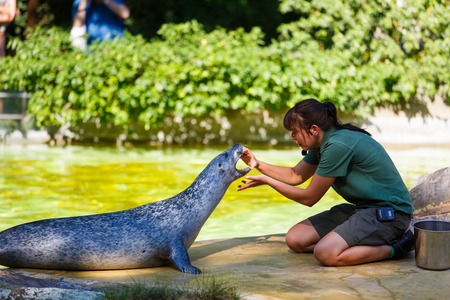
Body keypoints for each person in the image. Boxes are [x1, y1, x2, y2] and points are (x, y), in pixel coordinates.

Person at [238, 98, 415, 266]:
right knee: (296, 239)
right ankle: (350, 245)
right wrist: (257, 164)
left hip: (389, 215)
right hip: (363, 209)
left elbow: (309, 198)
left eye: (295, 132)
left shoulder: (337, 146)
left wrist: (268, 181)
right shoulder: (323, 143)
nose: (292, 137)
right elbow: (295, 175)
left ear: (313, 129)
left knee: (326, 253)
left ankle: (395, 249)